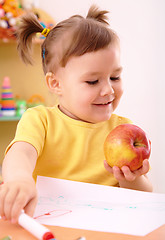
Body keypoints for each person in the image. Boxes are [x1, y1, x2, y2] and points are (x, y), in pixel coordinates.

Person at [0, 5, 153, 224]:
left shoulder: (124, 129)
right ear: (56, 83)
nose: (109, 90)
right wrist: (19, 179)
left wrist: (132, 179)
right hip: (49, 224)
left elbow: (142, 198)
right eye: (93, 81)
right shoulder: (40, 120)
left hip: (105, 228)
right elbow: (21, 154)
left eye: (115, 77)